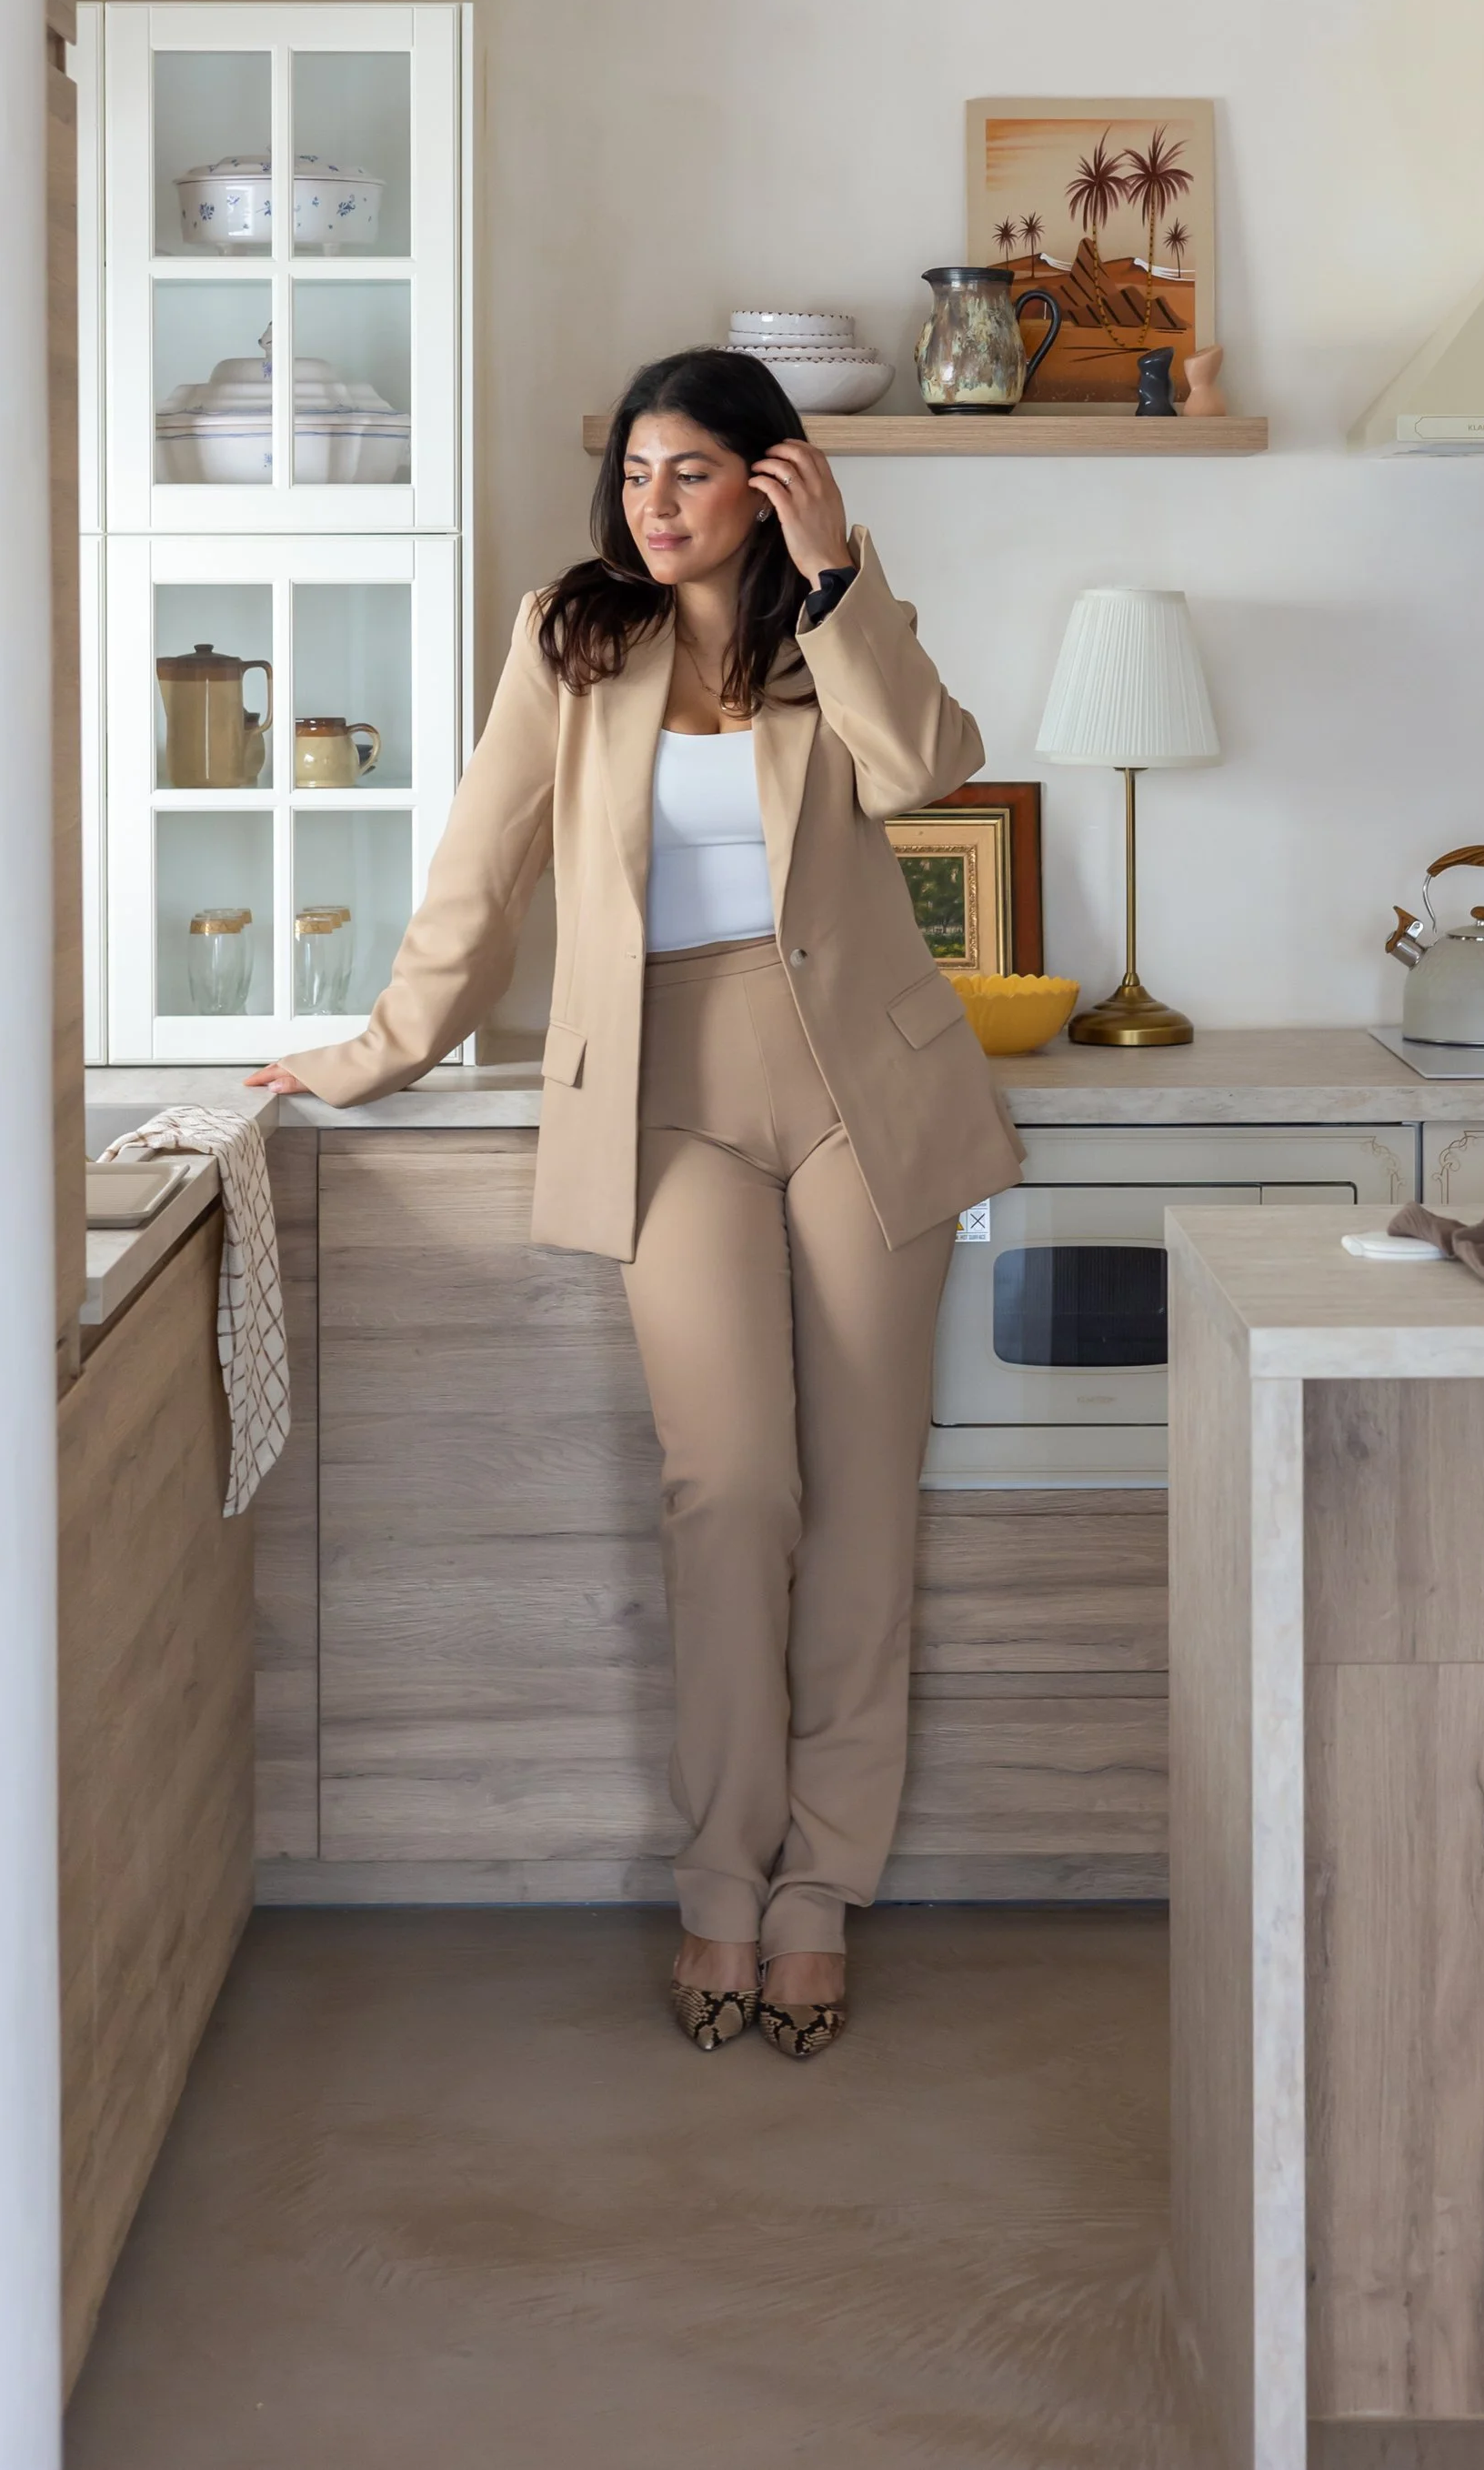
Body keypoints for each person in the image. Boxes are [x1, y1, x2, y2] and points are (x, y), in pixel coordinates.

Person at [249, 348, 1021, 2056]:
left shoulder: (836, 626)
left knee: (867, 1494)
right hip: (666, 1086)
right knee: (730, 1485)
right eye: (633, 473)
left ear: (771, 478)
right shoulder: (571, 638)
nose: (650, 504)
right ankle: (721, 1875)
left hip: (861, 1087)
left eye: (686, 472)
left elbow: (924, 770)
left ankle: (822, 1885)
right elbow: (481, 867)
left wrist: (841, 578)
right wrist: (375, 1048)